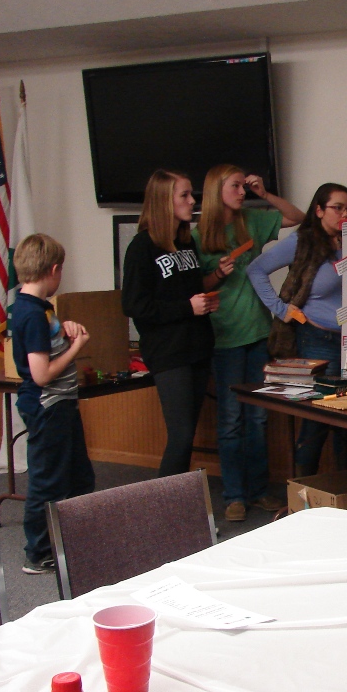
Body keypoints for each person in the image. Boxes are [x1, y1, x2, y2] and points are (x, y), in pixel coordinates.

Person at [193, 164, 305, 523]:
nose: (242, 192)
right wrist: (217, 273)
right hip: (224, 337)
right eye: (236, 186)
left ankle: (258, 490)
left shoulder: (252, 221)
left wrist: (265, 193)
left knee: (258, 417)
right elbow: (194, 288)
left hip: (258, 333)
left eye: (244, 186)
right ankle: (234, 495)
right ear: (217, 190)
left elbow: (298, 217)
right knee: (231, 419)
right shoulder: (198, 235)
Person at [247, 183, 347, 477]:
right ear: (319, 210)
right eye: (338, 208)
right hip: (318, 340)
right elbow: (255, 270)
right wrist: (281, 309)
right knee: (317, 419)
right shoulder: (303, 241)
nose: (345, 214)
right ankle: (304, 491)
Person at [122, 170, 218, 478]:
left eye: (191, 194)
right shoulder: (141, 247)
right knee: (180, 435)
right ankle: (164, 503)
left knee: (187, 434)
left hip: (197, 347)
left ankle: (179, 501)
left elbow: (186, 292)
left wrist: (205, 301)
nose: (192, 201)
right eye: (184, 195)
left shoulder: (186, 243)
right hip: (168, 352)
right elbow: (134, 305)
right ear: (164, 201)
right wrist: (187, 307)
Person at [10, 233, 95, 575]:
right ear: (55, 270)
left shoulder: (41, 308)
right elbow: (42, 374)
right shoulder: (31, 314)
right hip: (48, 405)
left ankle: (69, 542)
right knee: (48, 481)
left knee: (79, 477)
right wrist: (77, 349)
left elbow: (53, 339)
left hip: (61, 404)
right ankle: (39, 552)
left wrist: (67, 330)